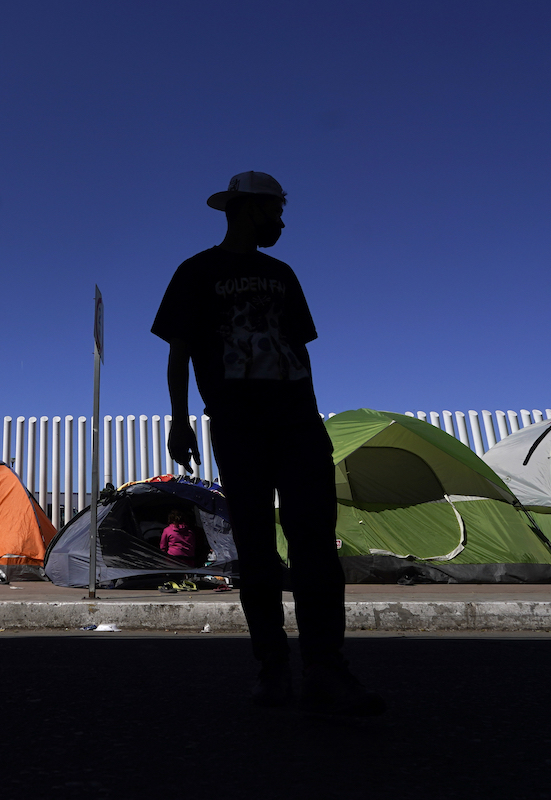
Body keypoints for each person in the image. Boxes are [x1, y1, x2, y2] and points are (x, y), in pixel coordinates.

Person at [151, 171, 384, 716]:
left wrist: (309, 416)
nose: (281, 220)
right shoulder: (197, 271)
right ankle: (273, 671)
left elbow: (299, 354)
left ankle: (326, 669)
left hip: (298, 421)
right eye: (274, 209)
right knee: (255, 546)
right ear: (246, 208)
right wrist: (180, 420)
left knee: (314, 548)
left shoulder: (282, 274)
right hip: (235, 422)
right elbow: (178, 351)